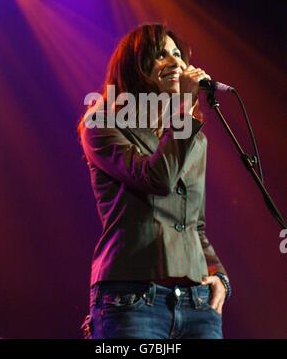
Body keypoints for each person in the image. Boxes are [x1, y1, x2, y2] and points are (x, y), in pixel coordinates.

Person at [78, 23, 231, 339]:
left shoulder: (192, 139)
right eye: (161, 55)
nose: (175, 62)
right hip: (132, 299)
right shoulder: (102, 123)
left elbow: (194, 224)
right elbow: (156, 178)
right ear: (135, 68)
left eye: (178, 54)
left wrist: (220, 276)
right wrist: (185, 110)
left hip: (197, 304)